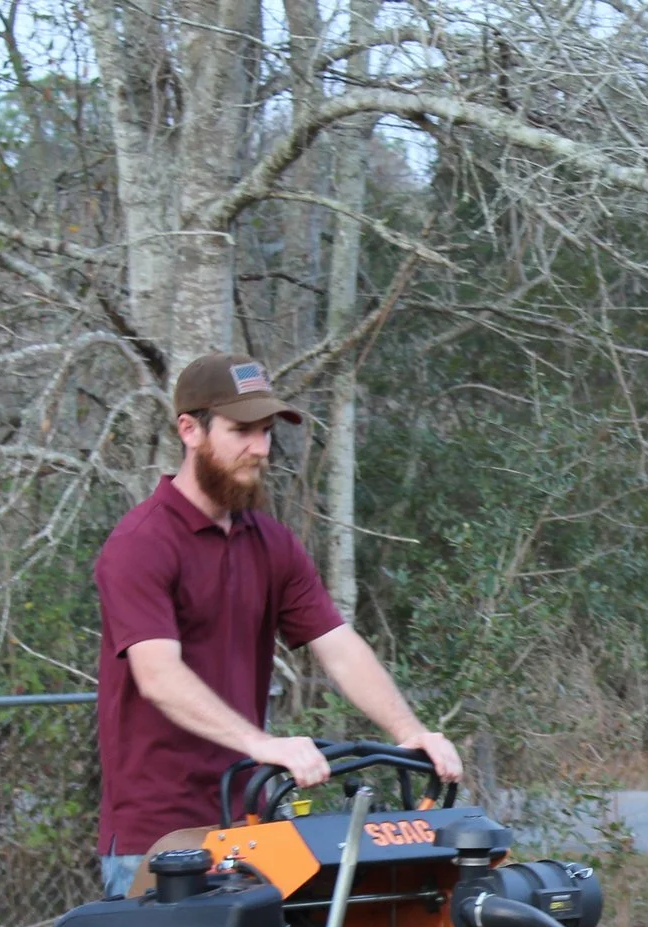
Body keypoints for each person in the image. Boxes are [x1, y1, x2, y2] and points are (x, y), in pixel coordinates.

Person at [93, 352, 462, 898]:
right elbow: (158, 677)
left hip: (252, 826)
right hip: (162, 837)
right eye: (243, 431)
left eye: (266, 432)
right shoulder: (141, 544)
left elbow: (338, 646)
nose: (260, 449)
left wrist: (409, 734)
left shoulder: (269, 543)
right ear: (190, 430)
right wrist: (261, 743)